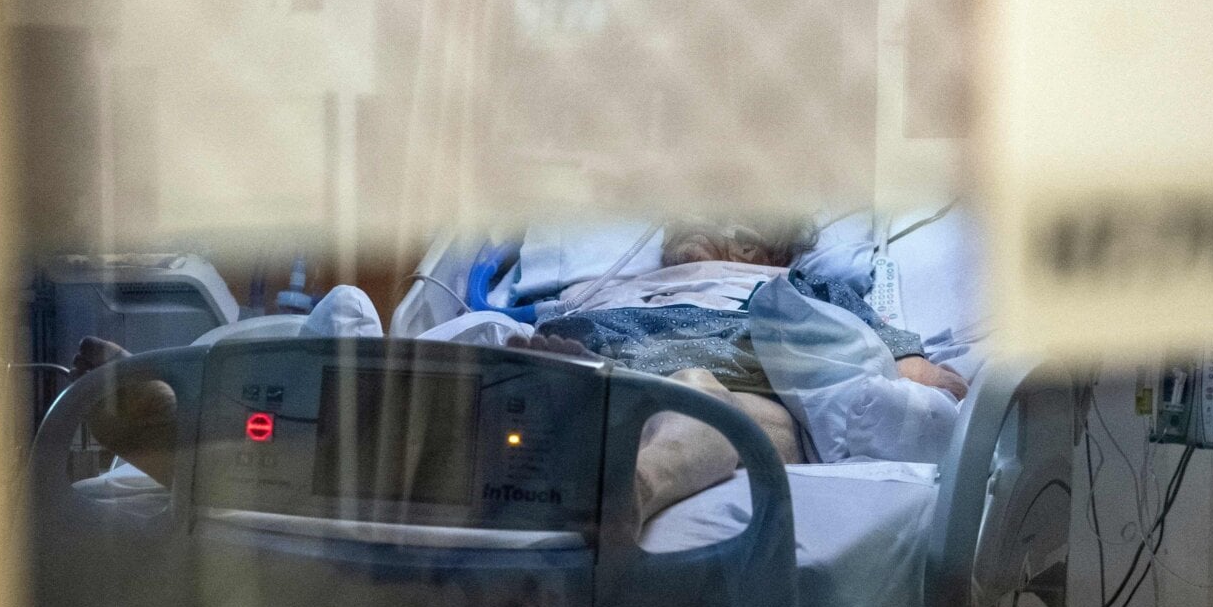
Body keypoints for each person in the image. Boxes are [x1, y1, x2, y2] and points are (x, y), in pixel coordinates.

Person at [69, 217, 968, 523]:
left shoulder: (801, 285)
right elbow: (520, 325)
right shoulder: (601, 281)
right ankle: (185, 424)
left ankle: (625, 484)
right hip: (570, 362)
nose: (698, 227)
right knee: (417, 352)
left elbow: (912, 383)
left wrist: (915, 373)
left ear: (762, 240)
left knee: (728, 420)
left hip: (732, 377)